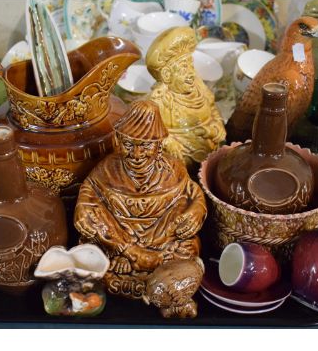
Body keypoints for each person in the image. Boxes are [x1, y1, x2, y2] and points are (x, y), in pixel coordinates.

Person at [74, 100, 207, 299]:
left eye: (145, 146)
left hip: (161, 238)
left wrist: (195, 211)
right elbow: (87, 198)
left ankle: (141, 262)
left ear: (158, 145)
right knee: (92, 235)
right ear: (119, 140)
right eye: (128, 144)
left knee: (188, 243)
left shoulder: (174, 169)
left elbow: (193, 194)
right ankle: (143, 261)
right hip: (119, 239)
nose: (137, 155)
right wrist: (84, 213)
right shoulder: (107, 168)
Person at [146, 26, 226, 170]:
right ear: (167, 75)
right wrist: (167, 142)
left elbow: (214, 111)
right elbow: (148, 133)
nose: (190, 73)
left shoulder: (200, 88)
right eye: (183, 68)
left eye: (191, 66)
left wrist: (211, 130)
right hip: (177, 169)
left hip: (210, 159)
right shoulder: (159, 101)